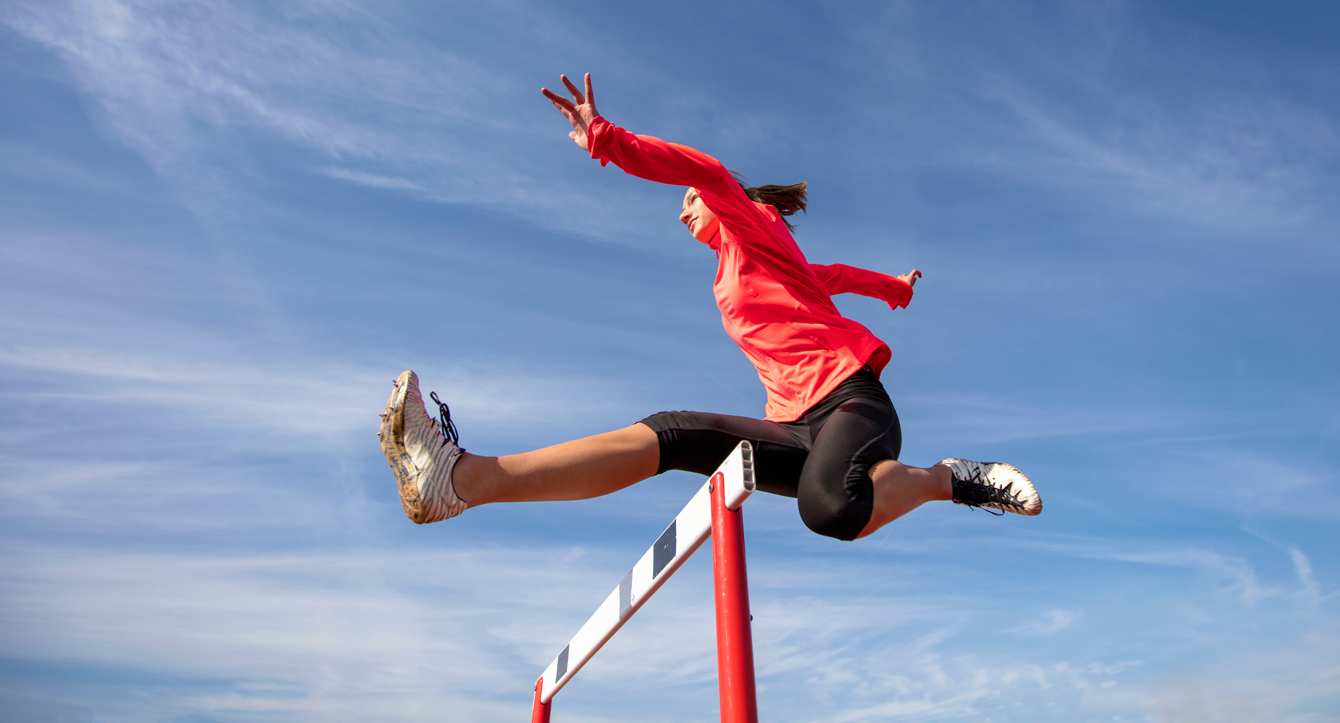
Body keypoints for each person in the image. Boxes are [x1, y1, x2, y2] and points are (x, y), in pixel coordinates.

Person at [378, 73, 1041, 539]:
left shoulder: (747, 217)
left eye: (687, 203)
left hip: (849, 401)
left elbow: (707, 173)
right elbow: (828, 274)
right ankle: (459, 482)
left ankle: (948, 479)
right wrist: (893, 287)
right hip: (794, 424)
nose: (681, 211)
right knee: (670, 432)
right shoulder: (748, 261)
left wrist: (609, 141)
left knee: (830, 510)